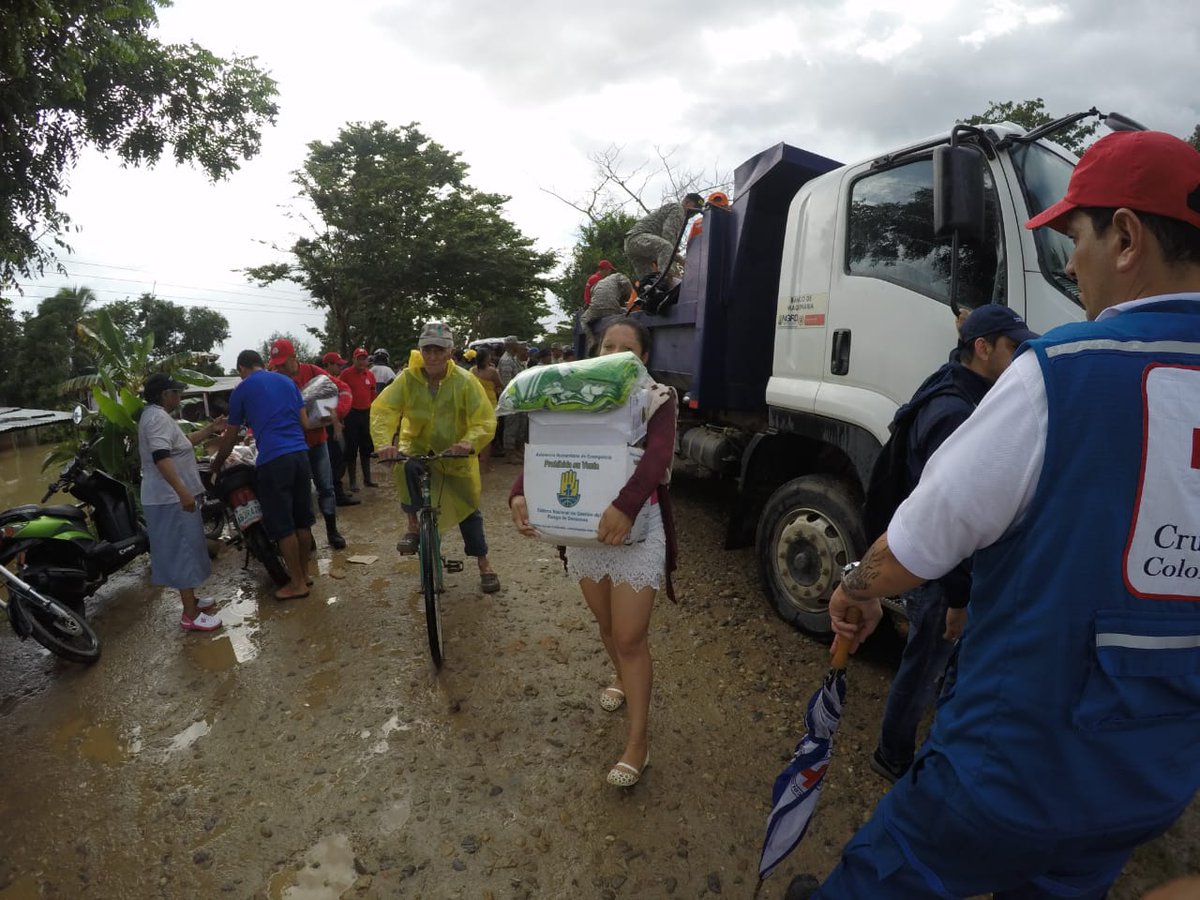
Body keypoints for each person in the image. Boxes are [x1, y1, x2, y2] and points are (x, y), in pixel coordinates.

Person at [798, 131, 1200, 899]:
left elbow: (919, 543)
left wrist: (855, 584)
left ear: (1124, 236)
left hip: (1011, 769)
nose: (1070, 264)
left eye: (1072, 238)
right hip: (1151, 780)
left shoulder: (1061, 373)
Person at [867, 304, 1038, 784]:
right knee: (924, 667)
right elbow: (948, 519)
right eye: (1012, 345)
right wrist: (959, 599)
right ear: (982, 348)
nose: (1022, 353)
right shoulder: (956, 411)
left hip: (940, 571)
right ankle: (893, 757)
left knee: (927, 662)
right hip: (941, 577)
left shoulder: (954, 384)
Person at [509, 319, 679, 789]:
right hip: (586, 535)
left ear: (643, 358)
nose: (617, 354)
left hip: (635, 531)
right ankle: (621, 679)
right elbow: (549, 447)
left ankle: (638, 743)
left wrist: (625, 508)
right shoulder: (577, 394)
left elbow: (657, 457)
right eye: (609, 345)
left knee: (629, 636)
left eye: (628, 348)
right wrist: (520, 493)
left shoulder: (657, 398)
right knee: (606, 626)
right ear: (596, 349)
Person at [372, 322, 501, 594]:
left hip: (454, 454)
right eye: (427, 349)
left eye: (439, 350)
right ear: (420, 349)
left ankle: (484, 564)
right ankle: (413, 526)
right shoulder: (407, 379)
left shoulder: (465, 382)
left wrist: (469, 442)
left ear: (450, 352)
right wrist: (385, 444)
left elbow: (484, 419)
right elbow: (384, 410)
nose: (432, 355)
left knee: (469, 510)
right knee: (404, 468)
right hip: (417, 447)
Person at [212, 350, 316, 601]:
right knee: (302, 521)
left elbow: (231, 436)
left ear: (242, 369)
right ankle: (304, 574)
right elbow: (305, 422)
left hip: (273, 459)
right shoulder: (288, 382)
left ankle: (297, 584)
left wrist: (217, 464)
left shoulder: (242, 390)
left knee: (283, 525)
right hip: (301, 455)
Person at [137, 373, 227, 632]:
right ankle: (189, 614)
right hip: (169, 498)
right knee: (182, 551)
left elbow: (183, 444)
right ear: (164, 394)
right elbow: (160, 457)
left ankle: (193, 601)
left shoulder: (158, 416)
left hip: (170, 496)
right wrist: (182, 491)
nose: (179, 396)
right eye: (176, 392)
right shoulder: (156, 419)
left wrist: (210, 429)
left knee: (187, 547)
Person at [267, 338, 348, 550]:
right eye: (277, 365)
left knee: (326, 487)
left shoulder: (314, 372)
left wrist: (336, 413)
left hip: (318, 441)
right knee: (301, 493)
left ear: (295, 358)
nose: (281, 368)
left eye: (284, 363)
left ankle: (332, 531)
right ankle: (307, 536)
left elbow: (343, 389)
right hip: (293, 445)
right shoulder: (275, 380)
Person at [623, 193, 703, 280]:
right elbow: (668, 235)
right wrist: (675, 271)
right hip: (638, 237)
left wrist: (680, 259)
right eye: (695, 209)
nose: (694, 214)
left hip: (632, 244)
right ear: (687, 202)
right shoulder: (678, 209)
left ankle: (653, 289)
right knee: (666, 248)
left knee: (650, 280)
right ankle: (668, 279)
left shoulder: (677, 213)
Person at [321, 351, 359, 507]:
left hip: (335, 424)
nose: (340, 368)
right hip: (329, 427)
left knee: (340, 458)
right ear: (329, 365)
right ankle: (337, 495)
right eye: (337, 365)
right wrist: (334, 421)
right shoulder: (324, 383)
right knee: (335, 460)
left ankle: (338, 491)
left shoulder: (332, 381)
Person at [341, 348, 377, 491]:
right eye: (359, 358)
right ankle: (352, 481)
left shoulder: (370, 374)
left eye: (364, 358)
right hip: (352, 414)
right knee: (351, 448)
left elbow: (373, 394)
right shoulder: (346, 374)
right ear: (354, 359)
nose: (362, 361)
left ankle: (367, 479)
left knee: (366, 447)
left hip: (367, 413)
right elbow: (340, 392)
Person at [582, 270, 635, 354]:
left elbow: (592, 292)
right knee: (625, 311)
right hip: (613, 308)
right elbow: (625, 282)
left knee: (583, 320)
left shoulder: (598, 283)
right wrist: (631, 293)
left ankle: (592, 341)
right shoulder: (619, 275)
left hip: (596, 309)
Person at [472, 347, 503, 472]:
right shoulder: (492, 371)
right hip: (490, 404)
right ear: (486, 358)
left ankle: (476, 461)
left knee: (478, 432)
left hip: (477, 403)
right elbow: (500, 384)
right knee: (489, 434)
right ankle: (486, 464)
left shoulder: (472, 371)